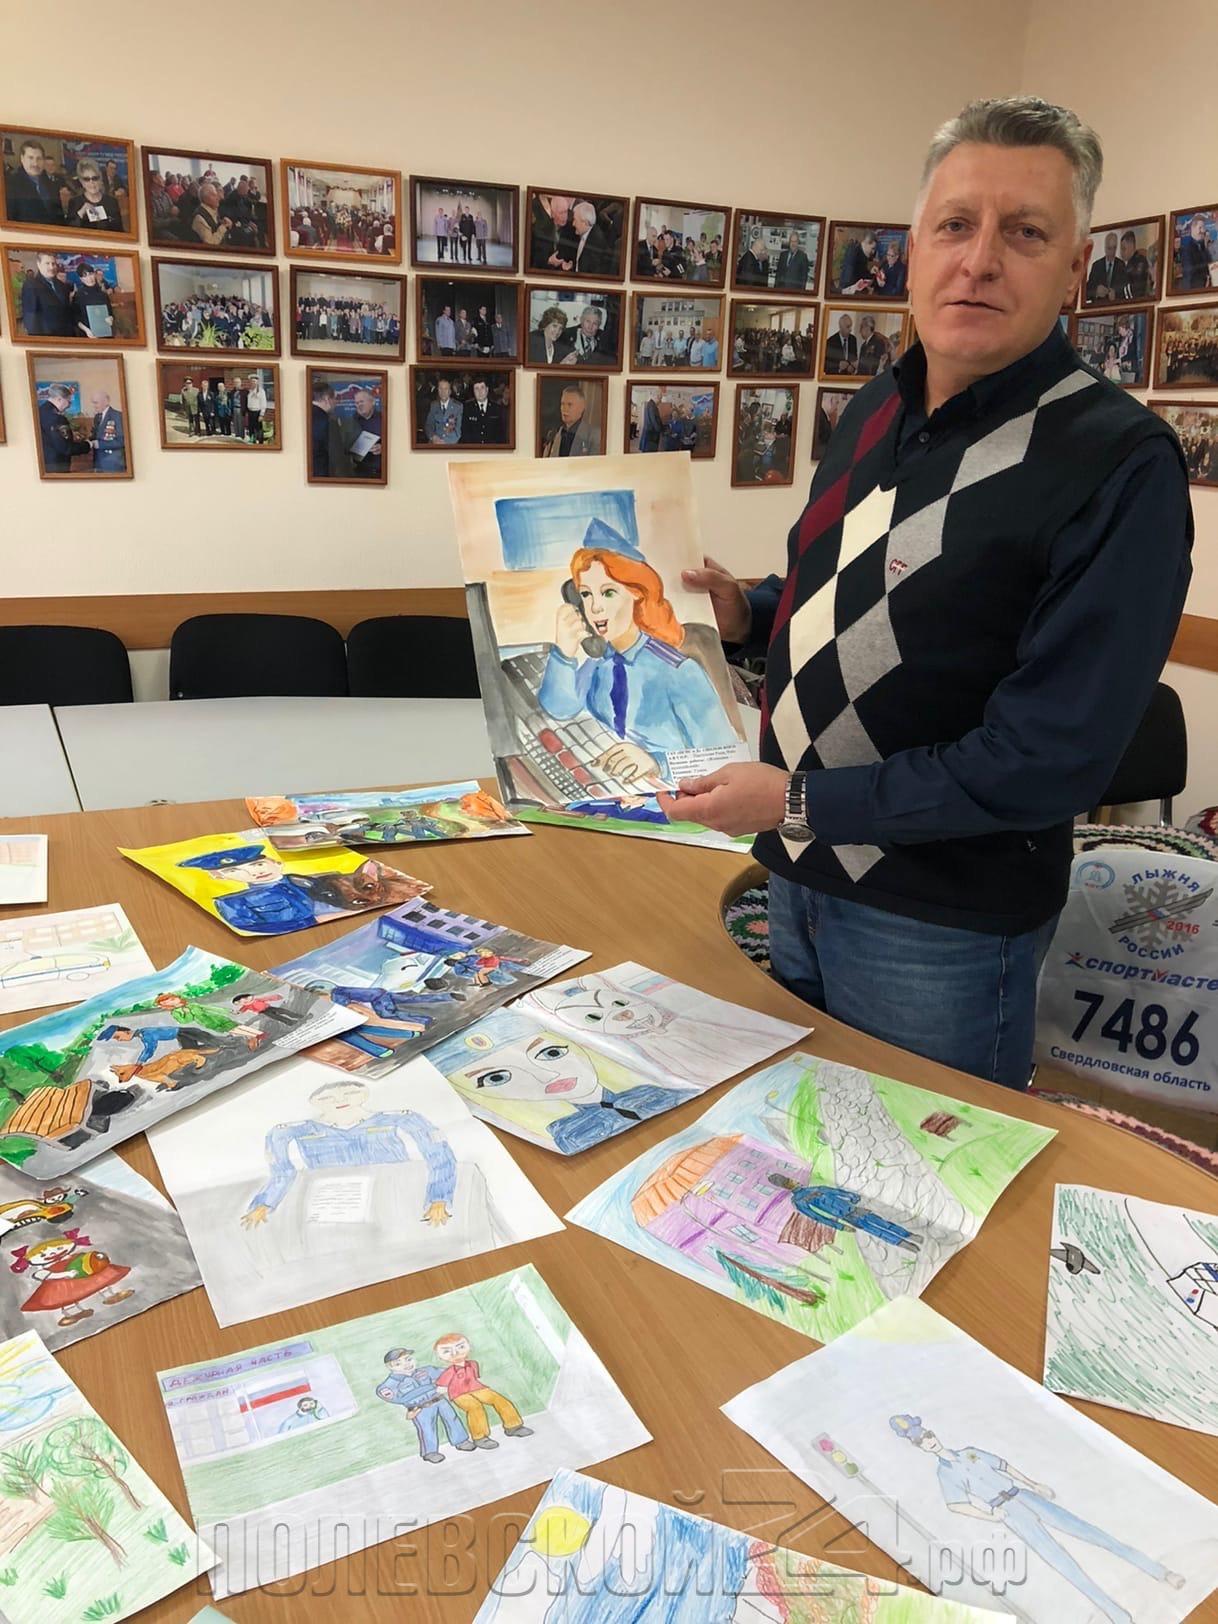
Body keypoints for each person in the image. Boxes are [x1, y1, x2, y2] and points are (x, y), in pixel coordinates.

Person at [669, 96, 1192, 1091]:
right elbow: (870, 600)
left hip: (939, 930)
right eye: (956, 224)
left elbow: (1047, 760)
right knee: (797, 1149)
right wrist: (753, 612)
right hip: (794, 878)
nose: (980, 260)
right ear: (913, 250)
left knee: (912, 1175)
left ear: (1075, 267)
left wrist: (795, 799)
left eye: (1024, 232)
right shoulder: (874, 407)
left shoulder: (1122, 463)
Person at [889, 1413, 1186, 1620]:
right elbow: (956, 1505)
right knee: (1063, 1564)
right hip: (1010, 1513)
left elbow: (1003, 1466)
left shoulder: (969, 1453)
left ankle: (1161, 1572)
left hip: (1025, 1496)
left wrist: (1033, 1484)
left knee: (1093, 1534)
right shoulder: (945, 1474)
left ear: (933, 1433)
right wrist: (991, 1515)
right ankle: (1118, 1616)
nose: (928, 1441)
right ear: (919, 1447)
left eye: (927, 1435)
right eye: (921, 1441)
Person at [537, 521, 737, 784]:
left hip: (676, 793)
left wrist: (657, 763)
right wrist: (564, 654)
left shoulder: (678, 671)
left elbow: (725, 761)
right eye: (585, 594)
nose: (594, 608)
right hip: (616, 787)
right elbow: (560, 709)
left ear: (638, 595)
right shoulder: (601, 662)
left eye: (608, 593)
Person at [239, 1077, 456, 1229]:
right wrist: (264, 1203)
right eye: (326, 1098)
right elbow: (282, 1171)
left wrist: (439, 1198)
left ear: (364, 1094)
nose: (340, 1101)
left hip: (392, 1194)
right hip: (335, 1202)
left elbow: (439, 1154)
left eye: (350, 1093)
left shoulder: (398, 1118)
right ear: (313, 1102)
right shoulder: (294, 1130)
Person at [376, 1348, 477, 1462]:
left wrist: (448, 1384)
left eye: (408, 1359)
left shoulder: (426, 1371)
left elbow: (448, 1374)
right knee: (427, 1428)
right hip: (420, 1408)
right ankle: (430, 1452)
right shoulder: (389, 1385)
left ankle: (461, 1441)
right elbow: (400, 1398)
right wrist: (433, 1387)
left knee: (452, 1419)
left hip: (440, 1400)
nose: (406, 1364)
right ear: (390, 1367)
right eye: (398, 1364)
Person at [433, 1333, 533, 1444]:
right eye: (447, 1351)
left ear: (469, 1346)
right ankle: (480, 1437)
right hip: (459, 1394)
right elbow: (441, 1388)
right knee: (474, 1407)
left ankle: (513, 1426)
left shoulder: (473, 1364)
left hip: (477, 1388)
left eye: (460, 1347)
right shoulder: (449, 1372)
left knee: (499, 1399)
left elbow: (475, 1378)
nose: (455, 1353)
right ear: (440, 1356)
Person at [5, 138, 65, 226]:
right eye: (31, 158)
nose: (35, 163)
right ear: (22, 159)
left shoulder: (51, 185)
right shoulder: (10, 184)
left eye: (39, 158)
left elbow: (59, 218)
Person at [38, 383, 91, 472]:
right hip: (57, 466)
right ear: (59, 399)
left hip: (43, 465)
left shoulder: (39, 412)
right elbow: (66, 448)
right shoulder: (58, 418)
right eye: (68, 401)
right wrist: (88, 445)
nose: (69, 405)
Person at [20, 252, 75, 337]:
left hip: (66, 337)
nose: (51, 267)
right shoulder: (31, 285)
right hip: (46, 337)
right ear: (39, 264)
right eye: (47, 263)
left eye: (53, 263)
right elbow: (31, 318)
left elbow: (67, 313)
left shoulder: (62, 286)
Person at [64, 160, 123, 233]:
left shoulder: (112, 202)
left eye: (95, 178)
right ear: (82, 182)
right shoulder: (74, 202)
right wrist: (81, 212)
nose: (91, 182)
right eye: (86, 179)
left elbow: (119, 231)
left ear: (100, 179)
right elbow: (69, 231)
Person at [542, 383, 597, 457]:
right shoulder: (554, 435)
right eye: (562, 404)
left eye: (569, 404)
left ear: (582, 407)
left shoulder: (593, 435)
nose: (564, 409)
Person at [310, 378, 344, 476]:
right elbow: (337, 456)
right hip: (323, 474)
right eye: (334, 398)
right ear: (327, 399)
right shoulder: (329, 421)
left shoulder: (304, 415)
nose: (336, 402)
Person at [459, 378, 506, 445]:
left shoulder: (496, 408)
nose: (480, 391)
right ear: (473, 391)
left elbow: (501, 434)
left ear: (487, 389)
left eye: (482, 388)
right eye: (476, 388)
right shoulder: (467, 408)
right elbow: (465, 433)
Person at [88, 391, 126, 474]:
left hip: (113, 462)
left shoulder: (118, 416)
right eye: (93, 403)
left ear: (106, 402)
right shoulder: (97, 417)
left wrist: (100, 444)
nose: (94, 406)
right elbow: (95, 436)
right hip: (98, 461)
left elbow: (122, 441)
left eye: (96, 403)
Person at [349, 386, 383, 477]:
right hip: (359, 471)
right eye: (356, 403)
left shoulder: (384, 419)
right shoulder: (351, 422)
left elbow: (397, 442)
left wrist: (383, 447)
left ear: (373, 402)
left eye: (362, 401)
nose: (359, 405)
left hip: (381, 472)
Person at [1085, 228, 1126, 304]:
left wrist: (1116, 295)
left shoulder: (1121, 265)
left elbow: (1125, 291)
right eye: (1109, 248)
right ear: (1105, 248)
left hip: (1116, 306)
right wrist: (1096, 291)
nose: (1112, 252)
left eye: (1114, 248)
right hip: (1098, 307)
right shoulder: (1096, 266)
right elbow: (1086, 292)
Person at [190, 181, 232, 249]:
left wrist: (222, 222)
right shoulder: (199, 217)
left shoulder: (212, 210)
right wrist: (223, 227)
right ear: (205, 198)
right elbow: (211, 244)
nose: (218, 198)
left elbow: (213, 226)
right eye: (213, 195)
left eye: (216, 194)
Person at [1178, 214, 1212, 293]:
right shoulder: (1186, 249)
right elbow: (1190, 271)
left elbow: (1210, 264)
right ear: (1192, 228)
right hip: (1193, 290)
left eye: (1203, 228)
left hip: (1205, 288)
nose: (1203, 231)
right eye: (1200, 228)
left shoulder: (1203, 246)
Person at [838, 228, 878, 294]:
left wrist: (871, 273)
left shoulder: (863, 253)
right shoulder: (853, 253)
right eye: (872, 248)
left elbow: (862, 272)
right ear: (865, 243)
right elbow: (847, 282)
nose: (873, 252)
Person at [425, 376, 463, 444]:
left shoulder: (458, 407)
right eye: (441, 389)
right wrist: (433, 437)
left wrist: (445, 443)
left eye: (446, 389)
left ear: (450, 391)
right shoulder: (433, 405)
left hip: (451, 443)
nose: (443, 392)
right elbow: (429, 425)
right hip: (435, 442)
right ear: (438, 390)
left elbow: (458, 430)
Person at [1119, 227, 1152, 301]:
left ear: (1131, 247)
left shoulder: (1140, 262)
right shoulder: (1125, 264)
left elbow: (1138, 288)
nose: (1121, 252)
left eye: (1124, 249)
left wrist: (1119, 292)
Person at [245, 372, 268, 444]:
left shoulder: (261, 391)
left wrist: (261, 414)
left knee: (258, 428)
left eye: (254, 381)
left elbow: (263, 403)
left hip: (257, 412)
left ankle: (260, 442)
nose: (253, 383)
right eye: (251, 381)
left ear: (257, 382)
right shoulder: (250, 391)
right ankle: (253, 440)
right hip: (250, 412)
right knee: (251, 427)